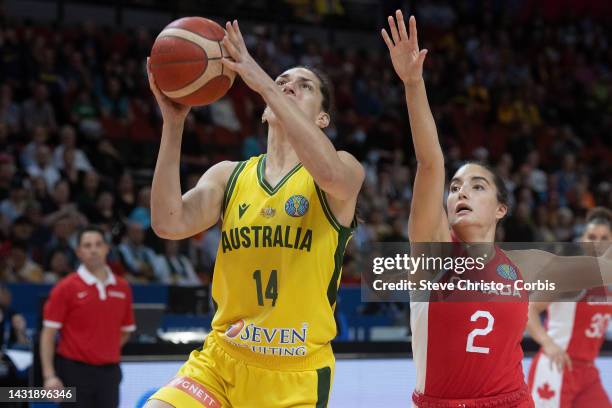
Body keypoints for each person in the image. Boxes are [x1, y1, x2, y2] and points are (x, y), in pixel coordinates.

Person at [382, 10, 612, 407]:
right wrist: (413, 84)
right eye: (455, 188)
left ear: (501, 209)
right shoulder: (432, 250)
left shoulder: (526, 265)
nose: (461, 193)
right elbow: (430, 163)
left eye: (477, 185)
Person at [145, 19, 364, 408]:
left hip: (294, 375)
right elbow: (168, 223)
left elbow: (331, 173)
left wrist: (262, 79)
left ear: (322, 119)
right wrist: (174, 123)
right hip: (221, 360)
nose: (288, 85)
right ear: (264, 113)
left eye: (305, 85)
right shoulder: (229, 175)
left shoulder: (342, 170)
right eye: (282, 81)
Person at [40, 225, 135, 408]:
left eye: (98, 244)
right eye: (87, 245)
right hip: (73, 372)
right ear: (78, 252)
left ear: (107, 249)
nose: (93, 250)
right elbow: (48, 334)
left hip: (109, 373)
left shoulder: (122, 287)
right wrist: (49, 376)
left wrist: (102, 349)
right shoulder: (65, 287)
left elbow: (125, 332)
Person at [527, 207, 612, 407]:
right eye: (591, 236)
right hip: (557, 367)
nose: (597, 243)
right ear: (582, 239)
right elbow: (527, 309)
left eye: (604, 238)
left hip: (588, 371)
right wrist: (547, 342)